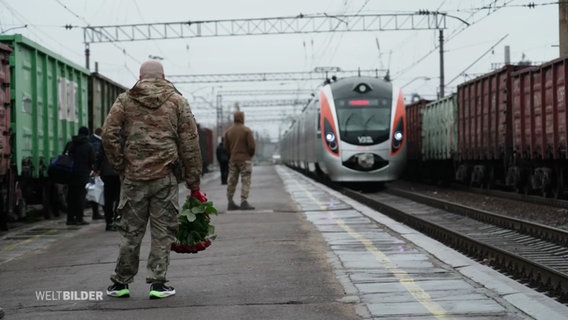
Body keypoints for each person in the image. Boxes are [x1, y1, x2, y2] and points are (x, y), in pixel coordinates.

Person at [102, 60, 206, 299]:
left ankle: (120, 284)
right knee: (162, 232)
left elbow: (108, 134)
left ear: (140, 76)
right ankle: (158, 284)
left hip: (133, 178)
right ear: (163, 75)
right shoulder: (177, 101)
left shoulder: (125, 100)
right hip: (165, 178)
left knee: (130, 232)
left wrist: (120, 165)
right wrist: (194, 182)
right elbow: (190, 143)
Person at [223, 111, 256, 210]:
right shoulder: (247, 131)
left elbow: (225, 147)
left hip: (233, 160)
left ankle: (230, 202)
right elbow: (252, 146)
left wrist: (232, 153)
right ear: (242, 118)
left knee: (232, 181)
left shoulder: (229, 131)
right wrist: (249, 155)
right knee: (245, 180)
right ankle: (244, 201)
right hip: (245, 160)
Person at [65, 126, 96, 226]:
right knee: (80, 197)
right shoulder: (88, 146)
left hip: (70, 174)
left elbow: (64, 156)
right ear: (87, 134)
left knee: (71, 197)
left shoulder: (70, 144)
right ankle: (79, 218)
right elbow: (92, 160)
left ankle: (70, 219)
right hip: (83, 174)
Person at [95, 143, 120, 231]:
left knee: (108, 199)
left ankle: (109, 222)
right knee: (119, 198)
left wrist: (96, 169)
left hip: (107, 173)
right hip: (119, 172)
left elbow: (99, 156)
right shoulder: (123, 137)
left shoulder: (105, 139)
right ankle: (117, 220)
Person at [89, 127, 104, 220]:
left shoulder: (91, 141)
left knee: (93, 191)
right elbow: (97, 157)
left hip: (91, 171)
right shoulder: (97, 143)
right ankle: (97, 213)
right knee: (99, 191)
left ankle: (96, 212)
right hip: (97, 171)